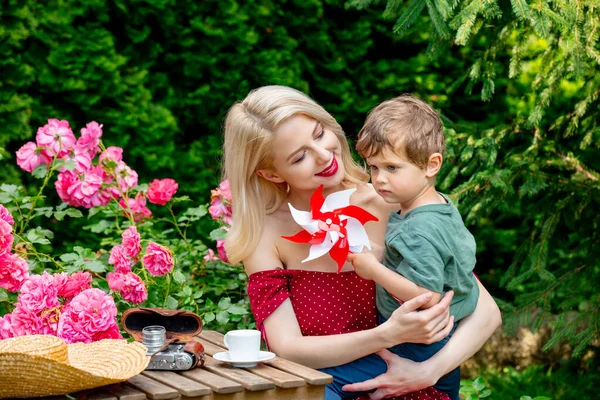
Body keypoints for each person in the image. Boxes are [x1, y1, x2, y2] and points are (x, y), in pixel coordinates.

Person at [222, 85, 501, 399]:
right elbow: (288, 348)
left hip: (419, 382)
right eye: (300, 156)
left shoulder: (393, 203)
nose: (324, 155)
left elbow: (484, 310)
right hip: (333, 387)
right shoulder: (264, 236)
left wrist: (427, 372)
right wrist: (387, 334)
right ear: (272, 174)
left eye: (319, 133)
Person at [322, 95, 478, 400]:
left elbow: (428, 296)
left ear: (432, 165)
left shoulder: (419, 229)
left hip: (418, 341)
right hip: (445, 335)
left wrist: (374, 270)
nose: (379, 179)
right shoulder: (438, 205)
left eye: (392, 168)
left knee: (327, 380)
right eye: (374, 167)